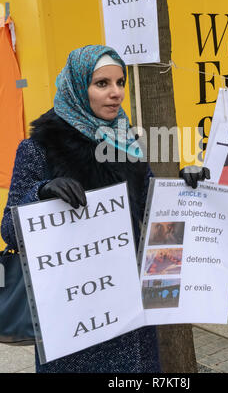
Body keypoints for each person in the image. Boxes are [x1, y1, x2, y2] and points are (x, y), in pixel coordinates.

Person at [1, 45, 209, 373]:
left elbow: (152, 212)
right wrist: (41, 193)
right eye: (102, 84)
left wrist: (186, 189)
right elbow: (9, 231)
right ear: (76, 87)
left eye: (120, 82)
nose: (116, 94)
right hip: (71, 313)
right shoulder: (39, 147)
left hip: (127, 308)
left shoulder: (128, 143)